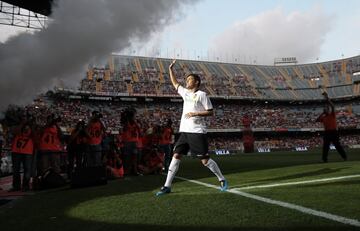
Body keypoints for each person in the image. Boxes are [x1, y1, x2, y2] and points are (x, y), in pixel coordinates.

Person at [156, 60, 228, 196]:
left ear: (196, 83)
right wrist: (170, 69)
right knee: (176, 156)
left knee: (205, 161)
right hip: (184, 132)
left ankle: (222, 179)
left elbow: (210, 111)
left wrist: (195, 113)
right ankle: (167, 186)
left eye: (189, 80)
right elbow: (175, 83)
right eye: (187, 79)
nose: (187, 81)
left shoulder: (202, 95)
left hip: (197, 131)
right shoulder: (185, 93)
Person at [316, 92, 347, 162]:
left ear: (328, 110)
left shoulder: (332, 114)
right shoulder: (323, 117)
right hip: (327, 133)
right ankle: (324, 159)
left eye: (326, 109)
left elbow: (332, 106)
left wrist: (327, 98)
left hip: (334, 132)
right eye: (325, 109)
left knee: (337, 146)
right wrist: (322, 113)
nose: (326, 109)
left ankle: (344, 157)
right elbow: (317, 120)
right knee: (325, 147)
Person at [10, 122, 35, 191]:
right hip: (16, 151)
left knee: (27, 170)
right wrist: (22, 124)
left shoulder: (31, 130)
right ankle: (16, 186)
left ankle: (26, 186)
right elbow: (13, 131)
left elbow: (34, 134)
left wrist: (29, 125)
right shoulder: (18, 128)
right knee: (16, 170)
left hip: (27, 152)